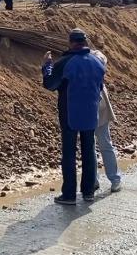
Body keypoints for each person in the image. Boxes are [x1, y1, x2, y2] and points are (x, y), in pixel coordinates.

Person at [42, 29, 105, 204]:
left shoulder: (65, 62)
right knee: (89, 151)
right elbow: (100, 87)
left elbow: (49, 83)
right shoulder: (97, 62)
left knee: (69, 153)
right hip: (91, 112)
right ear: (86, 42)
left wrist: (47, 65)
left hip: (70, 112)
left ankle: (69, 194)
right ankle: (88, 191)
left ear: (71, 43)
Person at [91, 50, 123, 192]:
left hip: (99, 105)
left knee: (105, 144)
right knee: (89, 147)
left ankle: (115, 179)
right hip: (86, 107)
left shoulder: (96, 56)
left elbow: (101, 62)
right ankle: (93, 180)